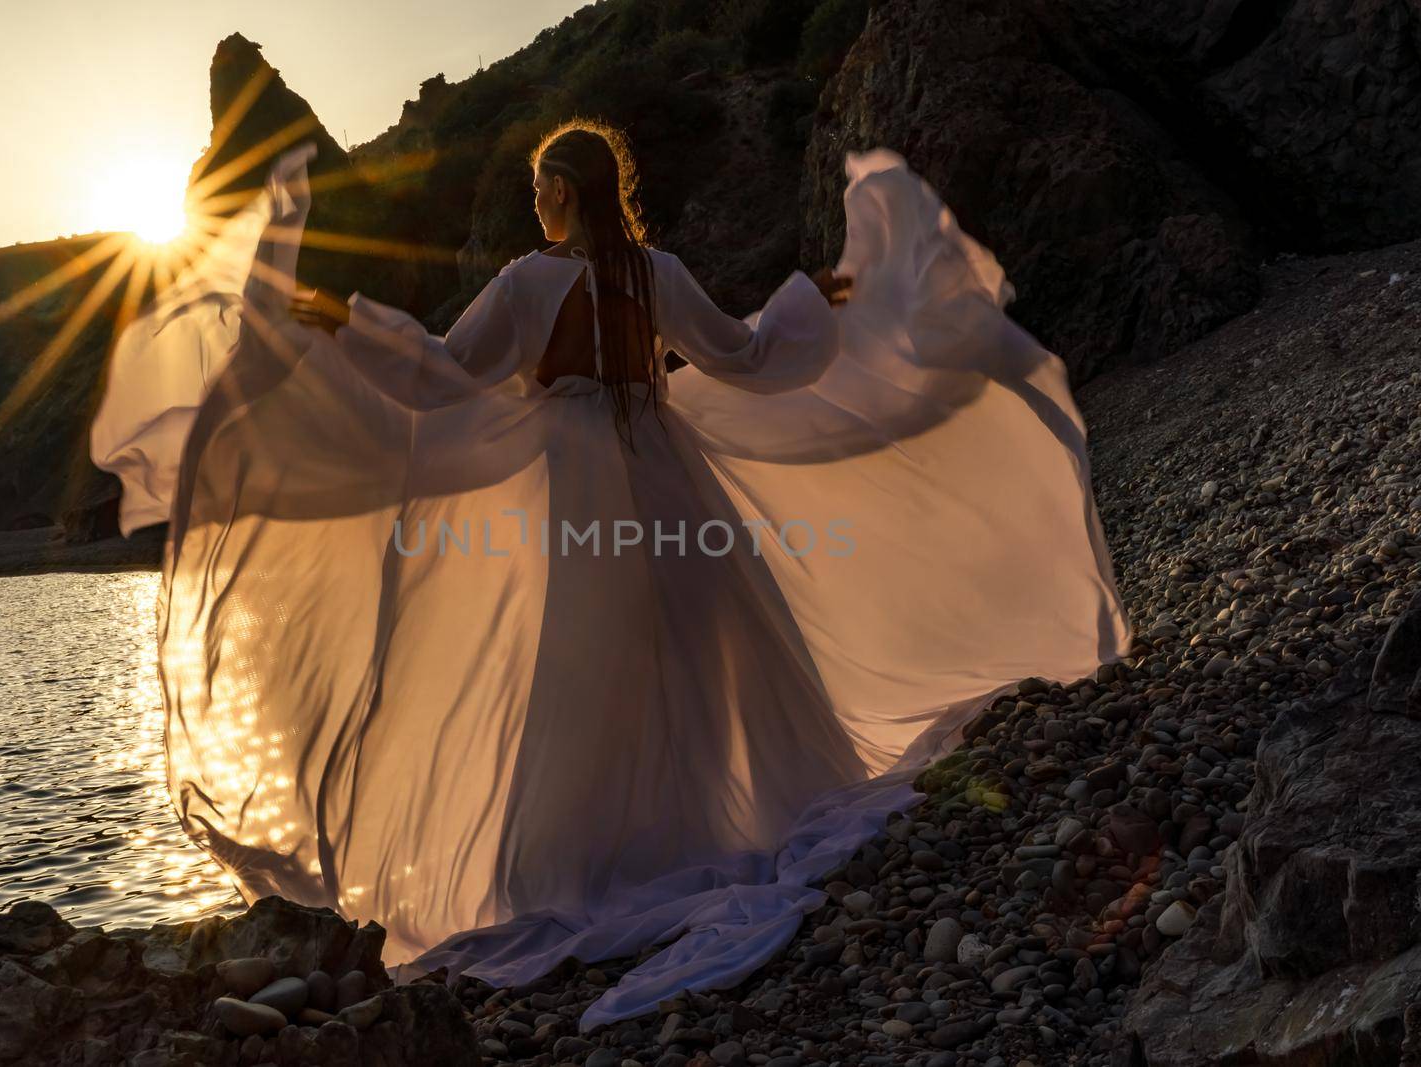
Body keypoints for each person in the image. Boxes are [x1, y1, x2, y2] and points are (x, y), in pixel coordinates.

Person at [91, 118, 1130, 1031]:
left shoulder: (528, 280)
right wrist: (811, 297)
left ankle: (590, 861)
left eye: (536, 189)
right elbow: (743, 355)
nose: (531, 204)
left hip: (579, 496)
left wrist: (343, 324)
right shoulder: (657, 273)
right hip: (669, 479)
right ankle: (737, 813)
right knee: (708, 649)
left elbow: (447, 374)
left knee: (584, 673)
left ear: (558, 194)